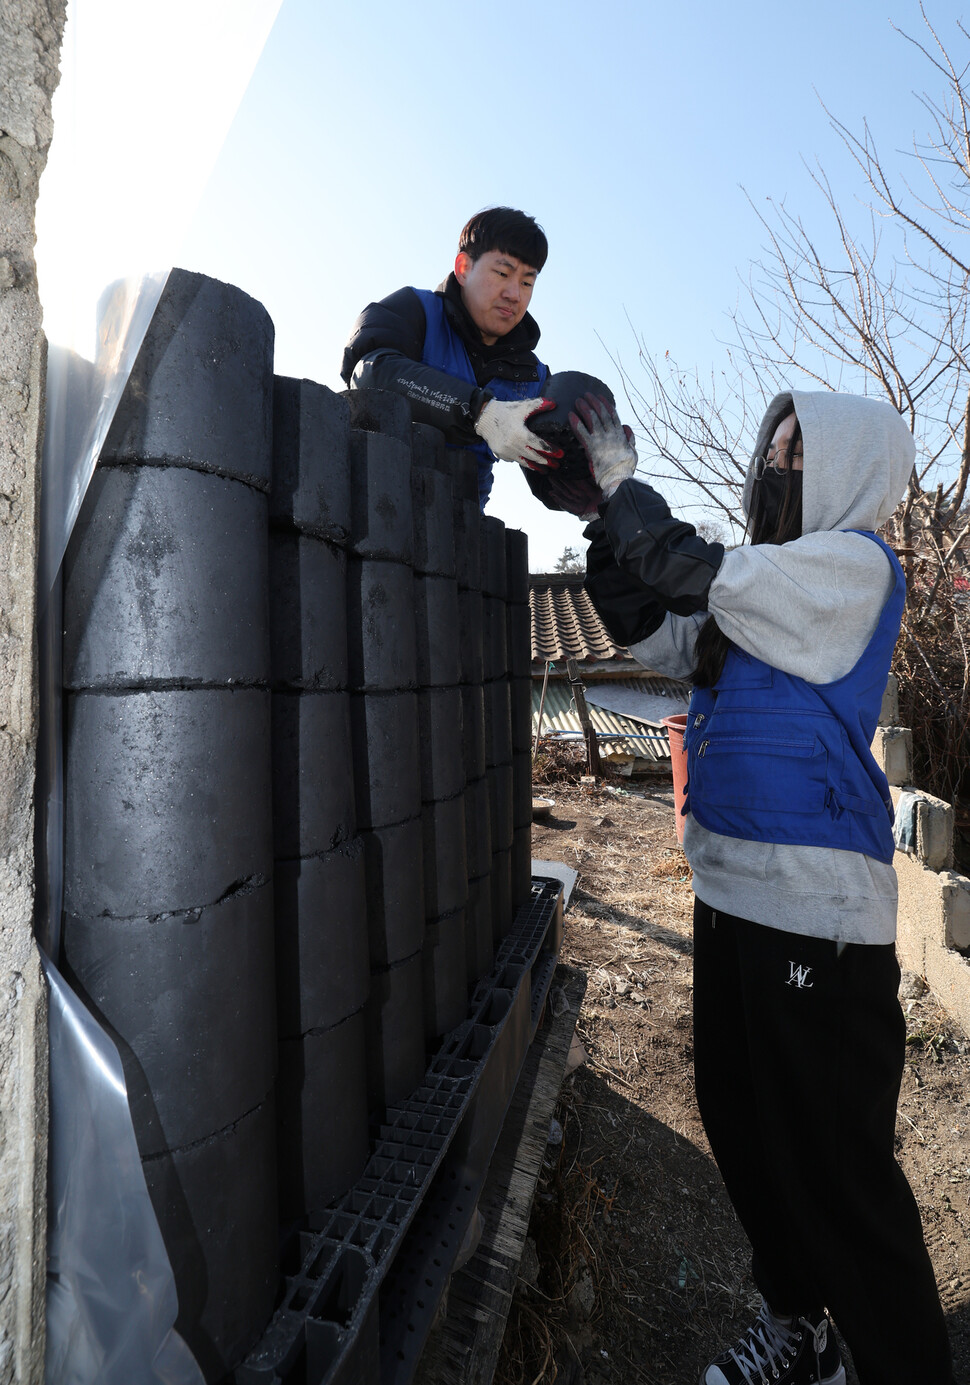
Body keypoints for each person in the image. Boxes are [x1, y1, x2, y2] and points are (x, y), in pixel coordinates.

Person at [572, 390, 955, 1385]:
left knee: (835, 1170)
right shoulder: (754, 598)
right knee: (743, 1124)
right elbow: (649, 624)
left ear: (842, 471)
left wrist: (619, 481)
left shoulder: (850, 566)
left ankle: (902, 1362)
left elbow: (683, 566)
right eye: (771, 447)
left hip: (815, 917)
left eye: (795, 451)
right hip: (731, 895)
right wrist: (593, 519)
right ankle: (803, 1326)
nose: (771, 465)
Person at [340, 206, 560, 509]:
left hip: (460, 532)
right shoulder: (413, 311)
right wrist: (480, 412)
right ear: (464, 267)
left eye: (527, 282)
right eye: (502, 273)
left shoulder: (532, 378)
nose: (514, 294)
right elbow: (372, 374)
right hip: (370, 508)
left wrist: (603, 473)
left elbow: (555, 468)